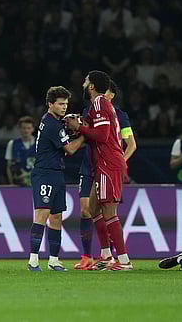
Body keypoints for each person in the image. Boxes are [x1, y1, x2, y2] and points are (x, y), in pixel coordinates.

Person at [66, 70, 132, 271]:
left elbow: (102, 136)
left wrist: (80, 127)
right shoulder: (101, 104)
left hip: (108, 163)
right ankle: (106, 256)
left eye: (86, 82)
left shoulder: (99, 103)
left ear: (92, 85)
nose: (83, 85)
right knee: (93, 208)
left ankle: (124, 261)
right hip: (103, 163)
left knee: (109, 211)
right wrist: (80, 126)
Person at [27, 86, 85, 272]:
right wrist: (84, 134)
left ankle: (53, 260)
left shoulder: (55, 122)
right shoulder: (51, 124)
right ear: (50, 104)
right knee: (42, 214)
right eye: (60, 103)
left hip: (56, 172)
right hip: (45, 172)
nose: (64, 107)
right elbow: (70, 149)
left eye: (66, 103)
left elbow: (63, 148)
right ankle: (33, 260)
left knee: (57, 216)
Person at [4, 115, 36, 186]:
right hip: (18, 183)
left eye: (28, 128)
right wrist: (11, 183)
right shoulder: (12, 144)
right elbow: (9, 167)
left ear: (33, 129)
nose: (26, 131)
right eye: (24, 128)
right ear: (19, 129)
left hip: (36, 184)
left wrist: (28, 175)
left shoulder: (40, 144)